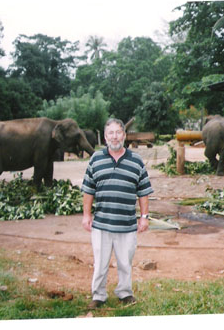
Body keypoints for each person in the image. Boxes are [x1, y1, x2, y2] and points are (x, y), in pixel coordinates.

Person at [81, 118, 153, 310]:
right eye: (110, 133)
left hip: (127, 225)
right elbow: (88, 190)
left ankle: (125, 293)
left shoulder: (136, 160)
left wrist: (144, 217)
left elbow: (143, 191)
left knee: (125, 262)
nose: (114, 136)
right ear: (105, 137)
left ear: (124, 135)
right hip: (101, 224)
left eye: (118, 132)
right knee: (100, 264)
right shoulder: (96, 159)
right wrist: (86, 215)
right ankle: (98, 295)